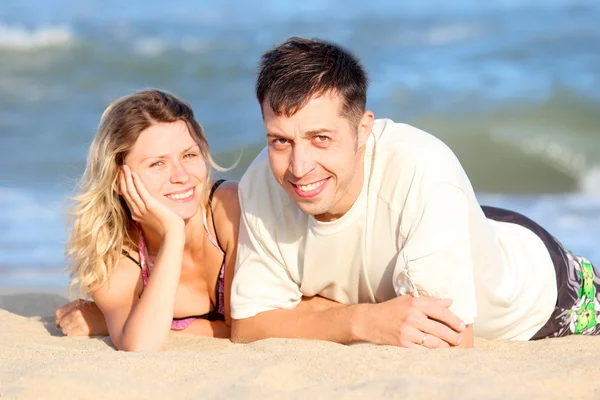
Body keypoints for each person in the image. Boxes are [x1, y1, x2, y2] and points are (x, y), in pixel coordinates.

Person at [229, 37, 600, 348]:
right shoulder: (262, 180)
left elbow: (450, 339)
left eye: (321, 138)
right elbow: (248, 326)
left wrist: (318, 314)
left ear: (362, 130)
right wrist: (359, 320)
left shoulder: (421, 169)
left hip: (545, 294)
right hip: (455, 227)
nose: (298, 167)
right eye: (280, 141)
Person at [56, 89, 241, 351]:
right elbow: (141, 343)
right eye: (157, 164)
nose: (182, 176)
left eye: (189, 155)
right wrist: (172, 235)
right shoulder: (113, 253)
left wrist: (108, 322)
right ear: (119, 179)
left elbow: (245, 328)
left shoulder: (228, 208)